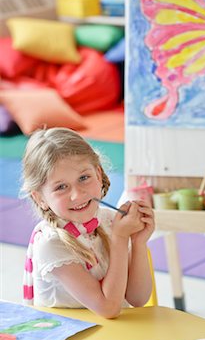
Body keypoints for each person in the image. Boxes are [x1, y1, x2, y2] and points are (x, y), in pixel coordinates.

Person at [21, 127, 155, 318]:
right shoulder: (51, 244)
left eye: (84, 178)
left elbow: (138, 298)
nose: (78, 194)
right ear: (40, 198)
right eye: (61, 187)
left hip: (114, 338)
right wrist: (120, 238)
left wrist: (138, 243)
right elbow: (108, 308)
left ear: (98, 175)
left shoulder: (109, 220)